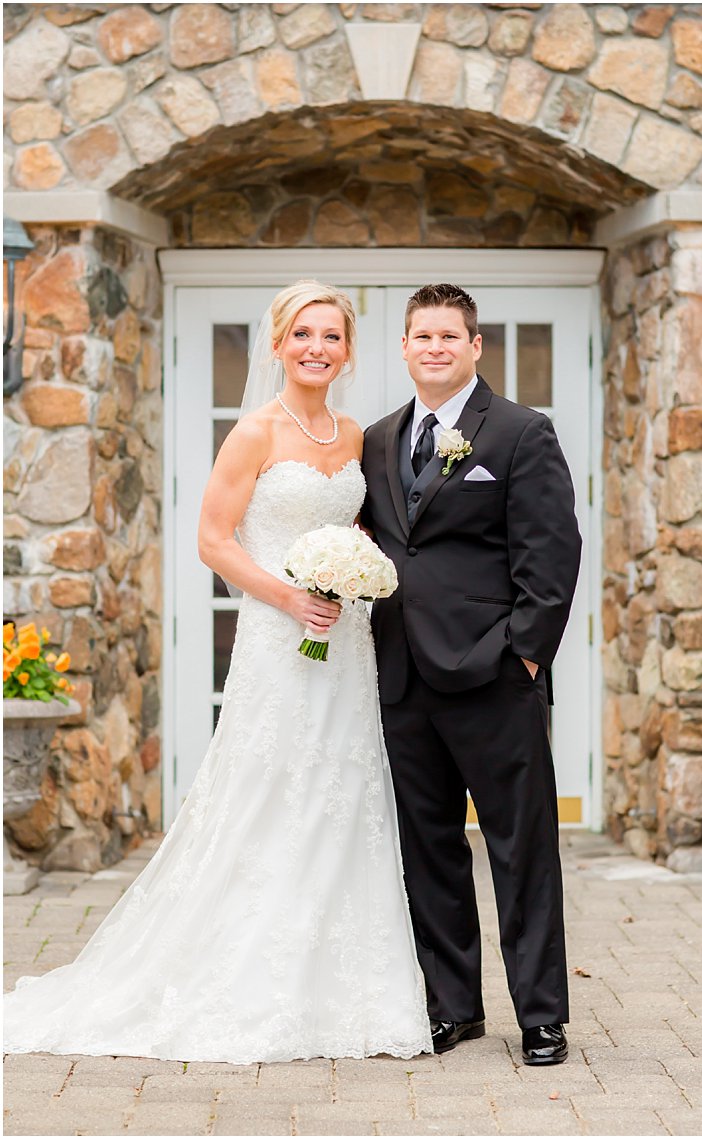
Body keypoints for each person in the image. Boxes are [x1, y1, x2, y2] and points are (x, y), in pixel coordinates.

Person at [2, 281, 432, 1063]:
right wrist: (289, 597)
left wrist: (355, 573)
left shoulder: (356, 436)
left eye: (331, 336)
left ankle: (345, 987)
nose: (317, 348)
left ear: (347, 350)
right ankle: (250, 975)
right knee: (270, 793)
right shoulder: (254, 433)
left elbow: (363, 525)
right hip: (280, 636)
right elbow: (213, 538)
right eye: (303, 333)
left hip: (348, 645)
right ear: (277, 344)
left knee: (346, 796)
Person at [359, 284, 581, 1067]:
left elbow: (552, 556)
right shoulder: (379, 438)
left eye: (450, 335)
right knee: (430, 849)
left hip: (493, 677)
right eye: (422, 335)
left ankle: (543, 1015)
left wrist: (522, 653)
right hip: (402, 679)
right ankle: (454, 1006)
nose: (435, 347)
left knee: (522, 850)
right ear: (407, 345)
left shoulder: (521, 432)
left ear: (475, 345)